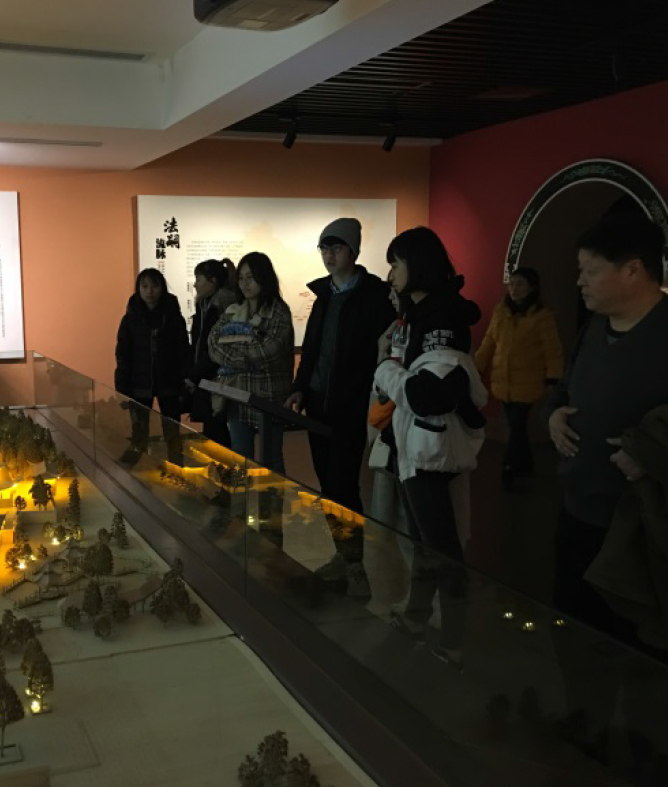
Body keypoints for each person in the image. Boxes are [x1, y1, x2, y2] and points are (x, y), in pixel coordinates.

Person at [548, 213, 668, 781]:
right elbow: (567, 390)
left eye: (590, 270)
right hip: (581, 516)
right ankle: (586, 724)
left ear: (633, 270)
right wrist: (555, 414)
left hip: (650, 531)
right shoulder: (594, 329)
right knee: (579, 634)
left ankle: (652, 756)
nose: (580, 282)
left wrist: (654, 453)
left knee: (653, 651)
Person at [371, 227, 487, 670]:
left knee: (442, 547)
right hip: (412, 444)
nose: (391, 274)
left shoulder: (443, 321)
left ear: (417, 265)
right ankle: (418, 616)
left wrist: (384, 368)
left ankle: (454, 639)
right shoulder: (416, 315)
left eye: (396, 264)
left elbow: (427, 395)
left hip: (430, 449)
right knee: (421, 541)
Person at [288, 218, 397, 514]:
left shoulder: (375, 295)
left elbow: (384, 351)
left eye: (336, 248)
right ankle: (339, 539)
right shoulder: (323, 296)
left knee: (344, 483)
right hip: (318, 401)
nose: (329, 255)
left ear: (353, 251)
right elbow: (311, 349)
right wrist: (300, 387)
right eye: (324, 249)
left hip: (352, 404)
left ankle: (352, 542)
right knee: (326, 480)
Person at [475, 267, 564, 489]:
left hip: (528, 383)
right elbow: (489, 342)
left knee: (516, 425)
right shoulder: (501, 312)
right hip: (502, 382)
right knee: (518, 426)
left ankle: (509, 467)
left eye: (521, 284)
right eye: (512, 284)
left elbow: (552, 350)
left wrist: (553, 378)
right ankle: (526, 463)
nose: (514, 289)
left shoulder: (542, 316)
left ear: (532, 287)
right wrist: (475, 367)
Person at [208, 252, 294, 474]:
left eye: (250, 278)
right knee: (240, 458)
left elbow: (268, 351)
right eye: (241, 278)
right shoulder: (234, 310)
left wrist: (233, 350)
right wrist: (246, 356)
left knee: (272, 460)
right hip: (237, 395)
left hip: (268, 397)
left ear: (264, 278)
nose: (244, 284)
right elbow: (213, 344)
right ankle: (244, 498)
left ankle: (273, 499)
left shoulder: (278, 312)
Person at [114, 268, 190, 465]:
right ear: (138, 288)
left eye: (154, 286)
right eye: (145, 286)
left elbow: (182, 350)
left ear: (162, 288)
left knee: (172, 429)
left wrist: (185, 378)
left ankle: (176, 464)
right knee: (139, 428)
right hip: (139, 381)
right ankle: (135, 464)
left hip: (169, 380)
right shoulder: (130, 319)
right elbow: (123, 354)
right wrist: (121, 386)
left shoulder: (173, 317)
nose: (149, 291)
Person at [185, 258, 235, 448]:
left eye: (198, 279)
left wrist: (195, 375)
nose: (195, 284)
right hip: (206, 377)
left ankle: (226, 467)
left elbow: (215, 349)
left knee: (218, 430)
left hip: (218, 377)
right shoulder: (205, 306)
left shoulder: (222, 308)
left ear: (213, 281)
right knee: (212, 430)